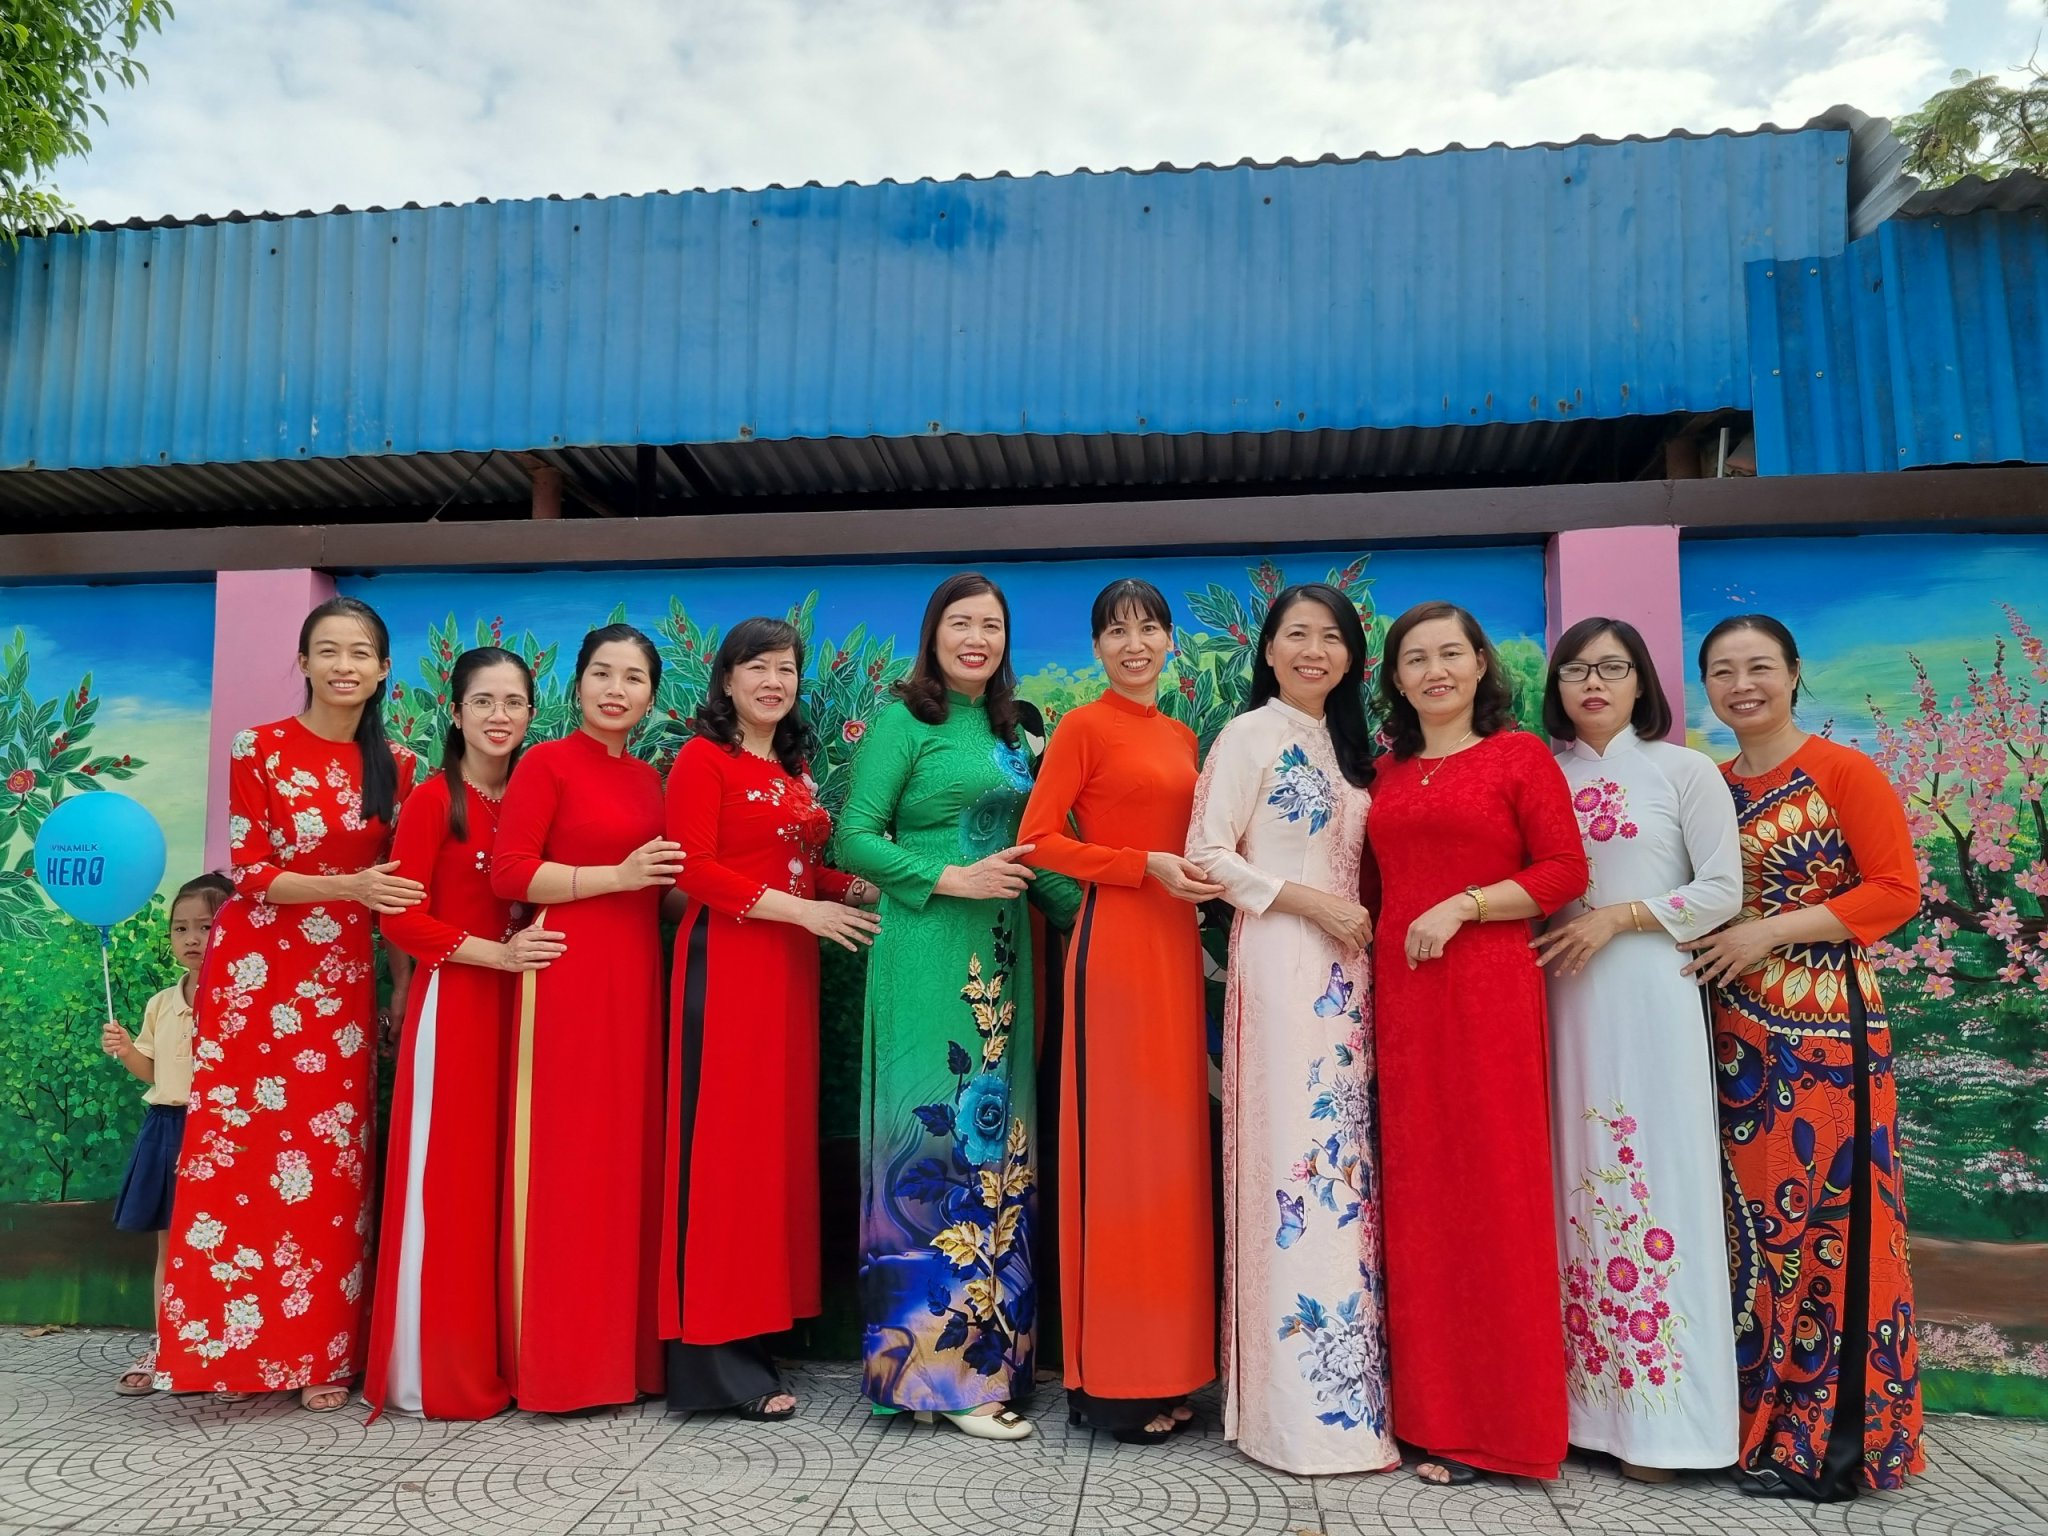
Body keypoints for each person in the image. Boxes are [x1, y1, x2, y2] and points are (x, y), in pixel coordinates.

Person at [156, 596, 423, 1412]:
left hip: (340, 980)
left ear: (383, 669)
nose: (345, 665)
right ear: (303, 662)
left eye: (361, 652)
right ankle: (228, 1352)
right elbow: (251, 871)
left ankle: (319, 1351)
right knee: (236, 1160)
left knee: (330, 1165)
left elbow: (398, 892)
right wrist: (351, 887)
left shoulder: (400, 764)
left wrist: (401, 983)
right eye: (328, 650)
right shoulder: (260, 747)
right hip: (257, 977)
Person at [1681, 615, 1924, 1500]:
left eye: (1759, 667)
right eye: (1722, 671)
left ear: (1793, 674)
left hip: (1825, 1034)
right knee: (1746, 1229)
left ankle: (1827, 1444)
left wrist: (1770, 933)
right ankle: (1743, 1423)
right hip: (1727, 1033)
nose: (1742, 685)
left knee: (1826, 1224)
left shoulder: (1843, 771)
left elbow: (1895, 890)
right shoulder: (1709, 784)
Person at [833, 572, 1079, 1441]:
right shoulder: (905, 721)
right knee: (933, 1137)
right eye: (961, 623)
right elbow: (854, 835)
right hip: (927, 950)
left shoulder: (1018, 732)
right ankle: (935, 1377)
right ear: (934, 634)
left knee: (999, 1153)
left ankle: (992, 1362)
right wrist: (948, 877)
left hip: (1003, 960)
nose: (977, 638)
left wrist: (1104, 922)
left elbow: (1035, 847)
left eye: (992, 626)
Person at [1366, 599, 1587, 1485]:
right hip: (1400, 1004)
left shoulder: (1518, 756)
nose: (1435, 671)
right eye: (1416, 658)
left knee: (1494, 1190)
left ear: (1481, 664)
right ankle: (1433, 1419)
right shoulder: (1385, 772)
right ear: (1395, 678)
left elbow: (1564, 870)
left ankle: (1506, 1430)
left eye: (1451, 653)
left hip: (1488, 995)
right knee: (1419, 1200)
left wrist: (1466, 904)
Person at [1185, 582, 1396, 1477]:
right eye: (1297, 634)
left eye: (1332, 637)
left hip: (1351, 977)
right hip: (1279, 961)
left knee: (1347, 1169)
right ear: (1267, 650)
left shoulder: (1355, 751)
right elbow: (1206, 853)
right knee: (1291, 1165)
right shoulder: (1248, 735)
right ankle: (1290, 1416)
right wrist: (1310, 902)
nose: (1314, 650)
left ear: (1352, 657)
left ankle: (1352, 1403)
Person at [1529, 618, 1742, 1480]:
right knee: (1571, 1180)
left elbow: (1722, 891)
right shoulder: (1541, 774)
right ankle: (1585, 1412)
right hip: (1559, 996)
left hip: (1651, 992)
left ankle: (1667, 1427)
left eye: (1612, 668)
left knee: (1657, 1179)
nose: (1593, 683)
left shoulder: (1683, 771)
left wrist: (1619, 917)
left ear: (1642, 681)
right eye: (1576, 670)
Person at [660, 617, 881, 1422]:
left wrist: (864, 889)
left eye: (786, 669)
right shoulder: (702, 759)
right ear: (726, 678)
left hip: (785, 976)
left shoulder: (791, 768)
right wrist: (805, 912)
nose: (772, 681)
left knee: (768, 1156)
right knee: (726, 1157)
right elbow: (694, 869)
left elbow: (796, 869)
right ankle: (714, 1363)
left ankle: (754, 1333)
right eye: (757, 667)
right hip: (726, 967)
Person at [1019, 579, 1220, 1446]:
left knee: (1171, 1158)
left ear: (1171, 641)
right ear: (1097, 647)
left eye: (1149, 629)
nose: (1134, 644)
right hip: (1116, 950)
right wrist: (1142, 865)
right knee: (1120, 1157)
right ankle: (1111, 1382)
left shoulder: (1182, 736)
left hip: (1176, 950)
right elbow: (1039, 839)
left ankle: (1170, 1367)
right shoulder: (1082, 726)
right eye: (1116, 631)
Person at [363, 647, 566, 1420]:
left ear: (531, 714)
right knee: (450, 1184)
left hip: (530, 1009)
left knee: (511, 1185)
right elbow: (399, 919)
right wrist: (495, 955)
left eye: (513, 702)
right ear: (455, 712)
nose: (498, 716)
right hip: (457, 1006)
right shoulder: (432, 802)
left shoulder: (537, 796)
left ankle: (516, 1357)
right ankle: (436, 1369)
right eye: (483, 701)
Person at [492, 623, 678, 1414]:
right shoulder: (546, 763)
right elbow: (510, 872)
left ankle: (624, 1362)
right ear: (577, 684)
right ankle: (562, 1367)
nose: (616, 689)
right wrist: (616, 875)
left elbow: (666, 887)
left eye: (633, 678)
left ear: (651, 696)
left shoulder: (651, 781)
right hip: (564, 974)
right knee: (566, 1163)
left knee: (626, 1162)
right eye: (602, 672)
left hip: (637, 978)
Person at [102, 871, 234, 1395]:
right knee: (171, 1245)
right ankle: (167, 1344)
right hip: (168, 1128)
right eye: (181, 928)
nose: (192, 938)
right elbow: (154, 1072)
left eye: (207, 926)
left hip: (220, 1131)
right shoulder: (161, 1002)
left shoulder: (241, 998)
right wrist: (125, 1050)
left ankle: (226, 1349)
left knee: (224, 1246)